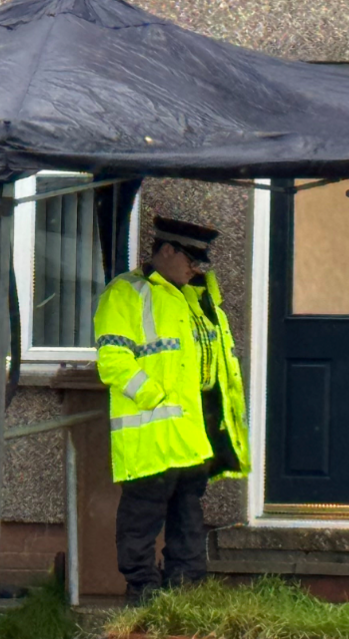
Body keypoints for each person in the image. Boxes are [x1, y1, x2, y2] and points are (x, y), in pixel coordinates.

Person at [92, 216, 251, 605]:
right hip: (151, 437)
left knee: (188, 518)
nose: (196, 268)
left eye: (201, 262)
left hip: (191, 439)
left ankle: (186, 594)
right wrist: (156, 400)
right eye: (191, 259)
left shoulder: (198, 298)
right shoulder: (126, 293)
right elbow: (113, 362)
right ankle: (143, 594)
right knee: (141, 521)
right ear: (166, 250)